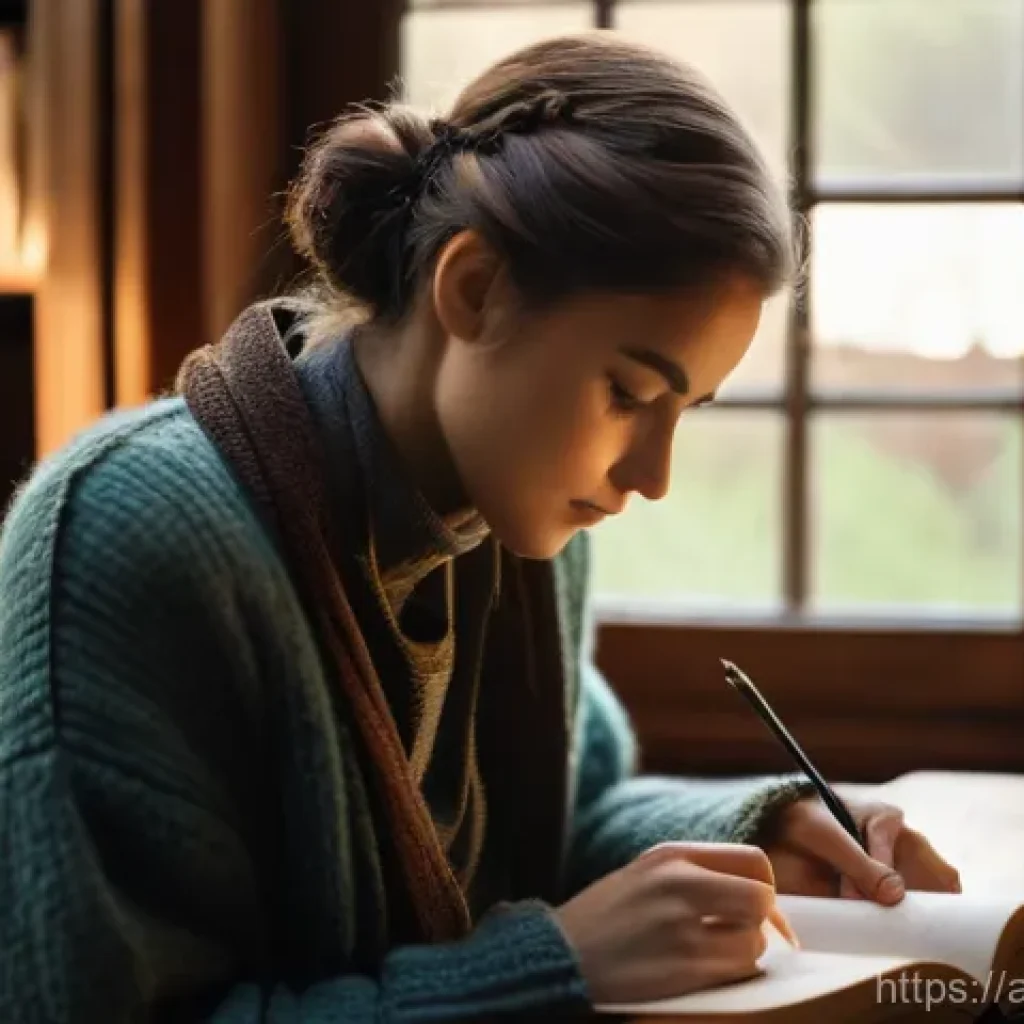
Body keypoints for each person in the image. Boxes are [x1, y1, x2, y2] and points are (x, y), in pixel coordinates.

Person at [0, 31, 959, 1023]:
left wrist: (762, 830)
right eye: (629, 393)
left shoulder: (506, 509)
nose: (653, 476)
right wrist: (543, 969)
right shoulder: (131, 541)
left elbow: (557, 826)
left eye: (688, 411)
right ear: (472, 288)